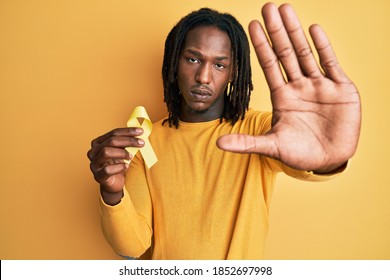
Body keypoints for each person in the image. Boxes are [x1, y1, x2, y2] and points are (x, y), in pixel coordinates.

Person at [87, 3, 361, 259]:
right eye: (193, 60)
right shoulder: (145, 141)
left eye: (219, 65)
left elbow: (301, 154)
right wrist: (112, 193)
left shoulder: (259, 131)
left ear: (233, 73)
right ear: (174, 61)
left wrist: (328, 159)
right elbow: (133, 246)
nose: (204, 77)